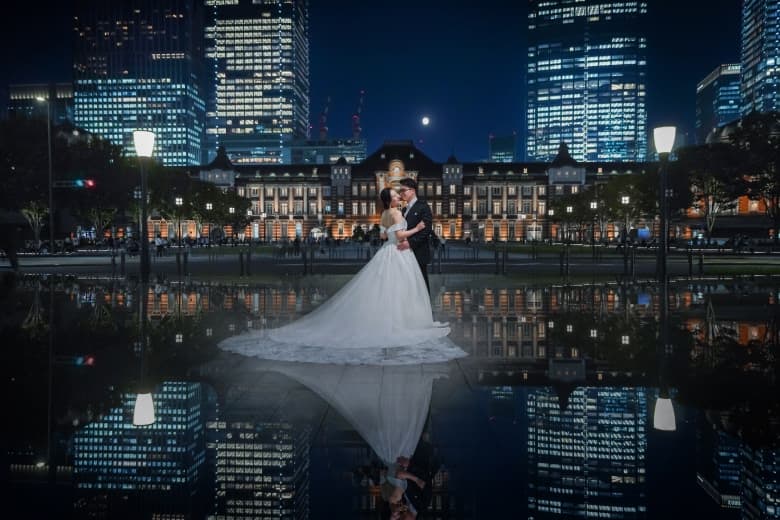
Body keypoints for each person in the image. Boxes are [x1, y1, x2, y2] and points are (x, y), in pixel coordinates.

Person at [218, 186, 462, 365]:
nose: (400, 195)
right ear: (391, 199)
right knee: (398, 291)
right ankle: (399, 323)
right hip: (397, 254)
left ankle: (392, 320)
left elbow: (384, 235)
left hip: (385, 254)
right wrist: (416, 229)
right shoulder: (397, 214)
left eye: (401, 193)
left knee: (384, 291)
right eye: (397, 194)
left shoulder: (384, 215)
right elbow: (398, 237)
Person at [397, 178, 433, 292]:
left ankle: (425, 309)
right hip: (405, 253)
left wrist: (410, 243)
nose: (401, 193)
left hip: (419, 251)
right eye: (400, 191)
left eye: (403, 190)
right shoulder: (403, 210)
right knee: (408, 284)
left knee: (421, 283)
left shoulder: (423, 206)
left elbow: (426, 230)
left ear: (412, 191)